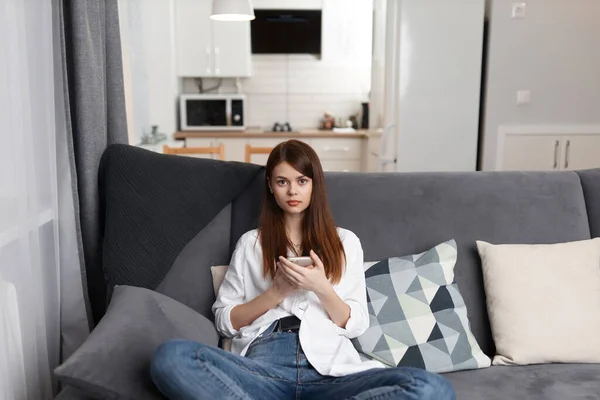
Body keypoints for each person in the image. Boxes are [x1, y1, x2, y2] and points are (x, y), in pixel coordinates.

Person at [150, 140, 455, 400]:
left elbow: (357, 323)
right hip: (263, 369)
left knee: (431, 388)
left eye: (301, 181)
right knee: (171, 357)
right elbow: (225, 322)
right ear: (270, 186)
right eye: (282, 181)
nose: (292, 190)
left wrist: (321, 287)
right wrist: (276, 293)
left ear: (314, 185)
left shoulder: (344, 242)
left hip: (330, 371)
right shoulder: (250, 244)